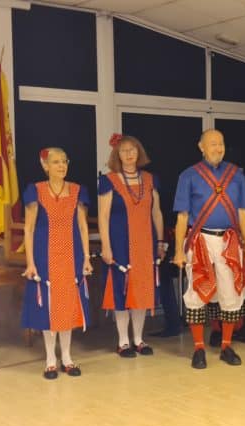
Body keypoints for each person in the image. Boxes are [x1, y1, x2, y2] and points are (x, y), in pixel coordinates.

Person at [172, 129, 245, 369]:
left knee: (230, 292)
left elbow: (243, 212)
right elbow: (182, 216)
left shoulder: (236, 175)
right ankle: (199, 348)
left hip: (230, 241)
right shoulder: (188, 176)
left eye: (221, 144)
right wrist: (179, 250)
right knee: (197, 292)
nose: (218, 148)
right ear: (201, 147)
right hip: (200, 240)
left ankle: (226, 345)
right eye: (212, 144)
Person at [21, 147, 92, 379]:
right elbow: (29, 228)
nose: (61, 166)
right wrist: (30, 262)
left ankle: (68, 358)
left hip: (72, 256)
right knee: (49, 309)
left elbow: (82, 226)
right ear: (45, 166)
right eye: (55, 162)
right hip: (44, 255)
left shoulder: (77, 191)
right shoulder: (35, 191)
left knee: (68, 306)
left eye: (64, 161)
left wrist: (87, 258)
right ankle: (51, 359)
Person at [98, 133, 165, 358]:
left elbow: (156, 212)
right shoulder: (108, 180)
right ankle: (123, 341)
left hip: (146, 243)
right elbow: (103, 216)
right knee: (121, 291)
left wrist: (161, 242)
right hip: (120, 244)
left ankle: (139, 339)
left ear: (139, 152)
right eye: (124, 150)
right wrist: (106, 247)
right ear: (117, 154)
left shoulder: (150, 178)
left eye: (132, 149)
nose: (128, 154)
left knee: (142, 291)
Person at [207, 179, 245, 346]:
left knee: (240, 286)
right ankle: (217, 329)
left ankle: (240, 328)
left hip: (239, 242)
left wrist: (240, 237)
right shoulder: (211, 189)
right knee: (217, 287)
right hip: (216, 243)